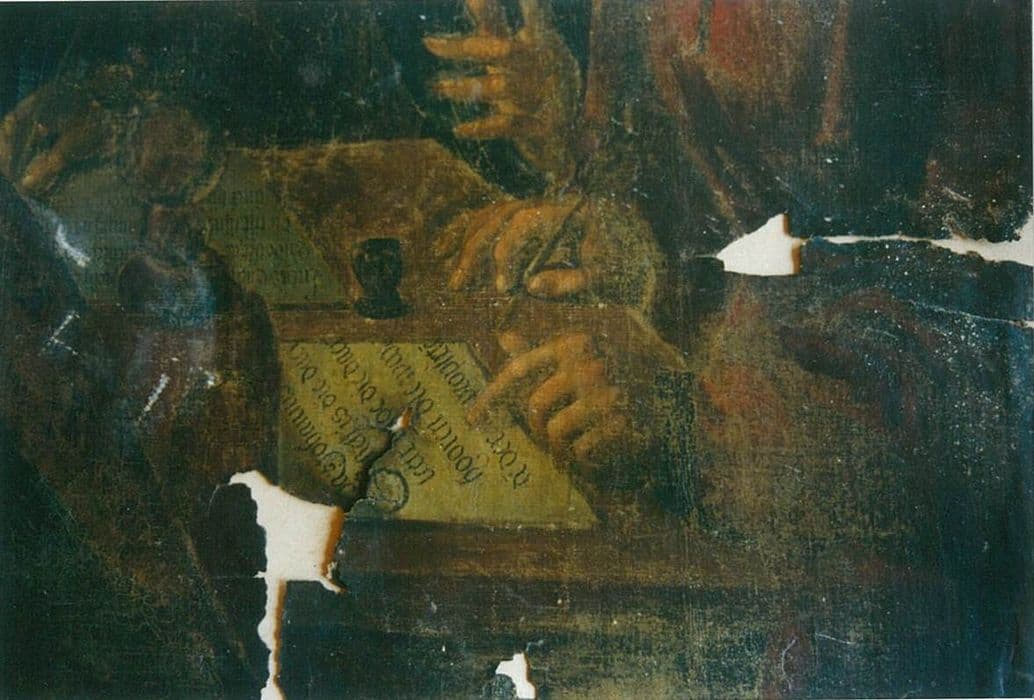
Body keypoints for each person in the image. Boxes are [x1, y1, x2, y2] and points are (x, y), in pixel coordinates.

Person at [426, 0, 1032, 694]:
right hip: (702, 532)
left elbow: (988, 363)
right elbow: (718, 197)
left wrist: (689, 422)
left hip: (868, 613)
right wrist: (621, 230)